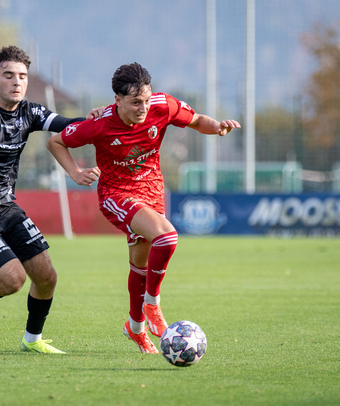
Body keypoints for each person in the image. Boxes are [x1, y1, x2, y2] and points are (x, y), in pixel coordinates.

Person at [47, 62, 241, 354]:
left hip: (152, 192)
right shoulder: (100, 123)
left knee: (139, 265)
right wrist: (75, 173)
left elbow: (197, 119)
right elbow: (56, 141)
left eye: (147, 100)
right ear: (117, 100)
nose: (144, 108)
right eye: (136, 102)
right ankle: (152, 304)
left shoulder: (164, 106)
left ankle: (135, 327)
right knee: (167, 237)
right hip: (116, 195)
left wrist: (217, 127)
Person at [0, 45, 99, 354]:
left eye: (22, 76)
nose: (16, 82)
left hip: (7, 208)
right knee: (12, 279)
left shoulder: (30, 112)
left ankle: (32, 340)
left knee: (46, 276)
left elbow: (66, 125)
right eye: (8, 75)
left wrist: (93, 121)